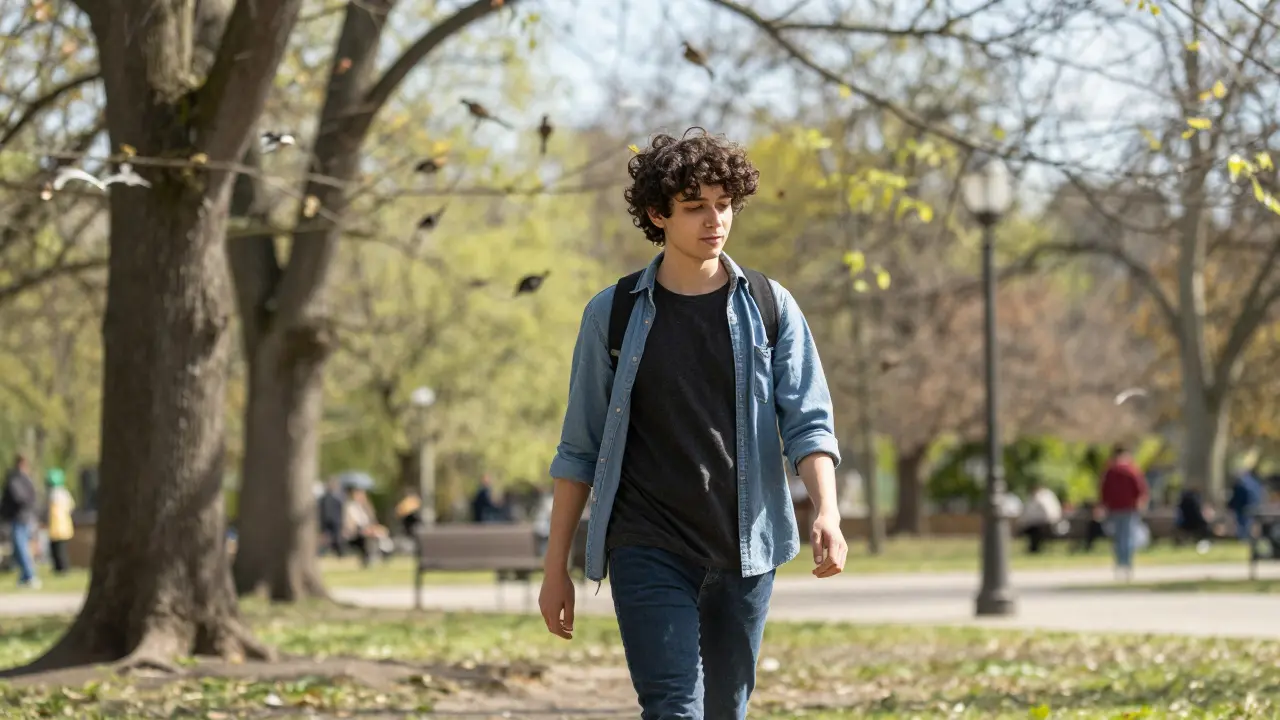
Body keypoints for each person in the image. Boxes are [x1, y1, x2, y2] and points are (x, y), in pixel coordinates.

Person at [538, 129, 846, 719]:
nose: (715, 220)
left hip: (745, 549)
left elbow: (809, 422)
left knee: (725, 709)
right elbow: (579, 449)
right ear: (658, 213)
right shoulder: (614, 313)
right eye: (695, 206)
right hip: (647, 545)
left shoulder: (770, 305)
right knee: (674, 706)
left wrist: (826, 510)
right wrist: (556, 570)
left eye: (724, 204)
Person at [1099, 444, 1149, 581]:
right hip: (1129, 508)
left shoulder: (1110, 472)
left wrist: (1103, 505)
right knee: (1127, 537)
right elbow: (1141, 489)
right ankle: (1126, 564)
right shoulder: (1132, 470)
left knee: (1118, 538)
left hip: (1114, 509)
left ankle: (1120, 563)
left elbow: (1104, 491)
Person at [0, 454, 40, 588]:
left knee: (20, 546)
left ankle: (29, 575)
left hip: (19, 517)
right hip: (23, 516)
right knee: (20, 547)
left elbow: (18, 497)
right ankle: (25, 576)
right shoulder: (24, 479)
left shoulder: (16, 479)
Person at [1017, 480, 1062, 555]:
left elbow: (1046, 512)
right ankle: (1033, 548)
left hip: (1046, 523)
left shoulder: (1042, 496)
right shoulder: (1046, 495)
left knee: (1034, 530)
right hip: (1043, 523)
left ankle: (1033, 549)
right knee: (1031, 529)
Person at [44, 468, 75, 574]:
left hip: (58, 525)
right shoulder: (64, 493)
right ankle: (58, 567)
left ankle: (62, 568)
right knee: (57, 548)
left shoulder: (55, 494)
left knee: (59, 549)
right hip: (61, 525)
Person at [1227, 463, 1264, 541]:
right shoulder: (1255, 482)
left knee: (1243, 523)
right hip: (1254, 505)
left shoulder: (1241, 482)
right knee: (1250, 523)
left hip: (1243, 506)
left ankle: (1243, 538)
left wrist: (1230, 505)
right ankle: (1247, 537)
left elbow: (1238, 496)